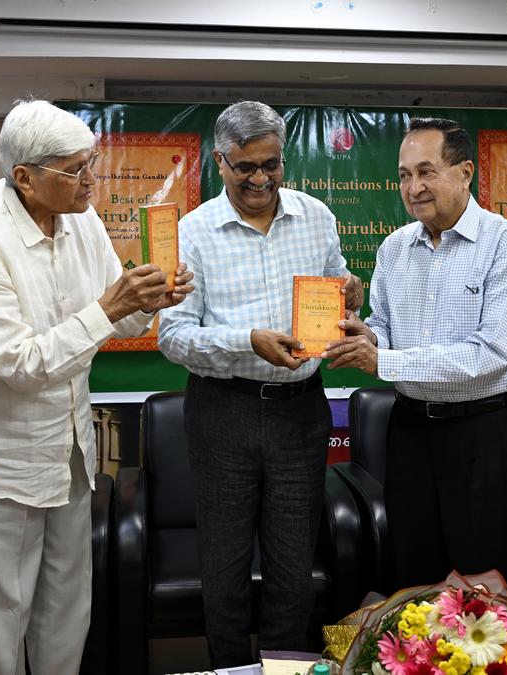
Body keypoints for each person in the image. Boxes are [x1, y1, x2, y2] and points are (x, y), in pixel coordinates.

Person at [0, 99, 192, 674]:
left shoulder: (81, 219)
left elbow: (118, 321)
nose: (90, 182)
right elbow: (19, 363)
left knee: (66, 611)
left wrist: (148, 299)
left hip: (68, 450)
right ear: (24, 178)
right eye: (75, 170)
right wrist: (109, 307)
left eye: (90, 164)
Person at [157, 100, 362, 668]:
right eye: (245, 167)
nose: (260, 179)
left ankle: (285, 669)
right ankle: (228, 668)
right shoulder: (193, 232)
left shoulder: (317, 216)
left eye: (271, 164)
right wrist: (246, 340)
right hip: (223, 411)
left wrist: (349, 297)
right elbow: (172, 337)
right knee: (223, 569)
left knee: (293, 569)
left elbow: (337, 284)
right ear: (219, 162)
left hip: (301, 412)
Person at [323, 117, 507, 592]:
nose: (414, 187)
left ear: (465, 172)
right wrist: (367, 336)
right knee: (415, 575)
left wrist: (382, 360)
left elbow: (492, 353)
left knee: (486, 585)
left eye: (427, 172)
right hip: (410, 434)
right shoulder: (395, 248)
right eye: (404, 175)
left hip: (482, 435)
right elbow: (384, 327)